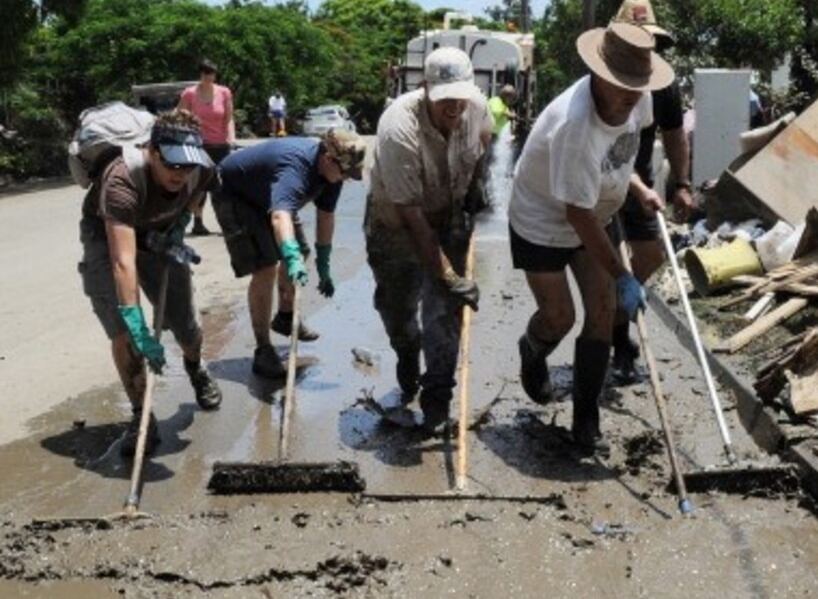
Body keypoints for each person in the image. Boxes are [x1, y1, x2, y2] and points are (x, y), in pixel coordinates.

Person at [508, 22, 671, 452]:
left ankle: (585, 418)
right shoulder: (574, 127)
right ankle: (532, 348)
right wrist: (623, 273)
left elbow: (620, 155)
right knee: (558, 317)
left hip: (596, 208)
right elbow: (576, 216)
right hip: (543, 218)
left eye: (635, 89)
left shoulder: (640, 95)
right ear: (598, 75)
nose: (628, 99)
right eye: (620, 88)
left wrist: (639, 188)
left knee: (602, 309)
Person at [78, 109, 223, 458]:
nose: (180, 173)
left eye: (186, 166)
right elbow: (122, 261)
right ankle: (142, 414)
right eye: (172, 164)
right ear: (153, 150)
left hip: (160, 231)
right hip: (108, 234)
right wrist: (137, 326)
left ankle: (194, 367)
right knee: (124, 333)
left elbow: (196, 190)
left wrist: (182, 220)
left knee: (184, 325)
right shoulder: (122, 180)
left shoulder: (200, 168)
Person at [365, 47, 493, 432]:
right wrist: (450, 276)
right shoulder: (397, 129)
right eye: (445, 98)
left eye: (461, 97)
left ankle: (438, 397)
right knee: (398, 311)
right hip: (397, 227)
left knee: (443, 314)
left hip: (449, 216)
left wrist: (477, 181)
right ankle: (406, 353)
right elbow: (413, 219)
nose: (454, 106)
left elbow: (486, 139)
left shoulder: (477, 107)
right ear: (425, 90)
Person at [211, 129, 365, 378]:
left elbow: (326, 215)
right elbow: (280, 216)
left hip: (267, 194)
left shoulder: (334, 173)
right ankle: (263, 351)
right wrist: (289, 256)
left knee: (299, 251)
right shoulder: (295, 169)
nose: (345, 178)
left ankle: (285, 316)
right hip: (235, 193)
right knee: (266, 266)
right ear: (328, 158)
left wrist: (324, 262)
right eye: (344, 172)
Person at [610, 0, 696, 380]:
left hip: (640, 181)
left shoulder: (663, 83)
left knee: (649, 255)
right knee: (606, 266)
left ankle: (616, 320)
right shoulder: (605, 77)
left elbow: (675, 135)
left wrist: (681, 183)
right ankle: (607, 339)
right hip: (602, 182)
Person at [177, 59, 235, 236]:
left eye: (211, 74)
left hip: (221, 144)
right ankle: (197, 221)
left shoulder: (224, 92)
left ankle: (227, 222)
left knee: (222, 185)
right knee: (200, 186)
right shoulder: (190, 93)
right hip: (198, 144)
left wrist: (231, 137)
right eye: (205, 73)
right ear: (200, 75)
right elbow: (179, 114)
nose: (208, 77)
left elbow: (229, 117)